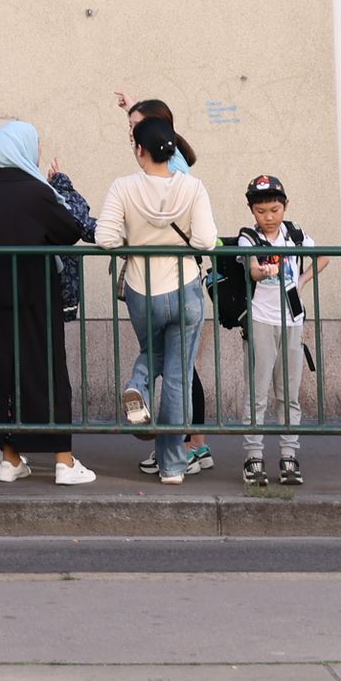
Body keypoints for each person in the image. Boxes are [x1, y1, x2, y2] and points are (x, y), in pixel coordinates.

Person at [0, 122, 94, 485]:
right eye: (36, 144)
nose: (40, 150)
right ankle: (63, 460)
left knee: (1, 375)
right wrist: (60, 186)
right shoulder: (37, 192)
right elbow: (69, 232)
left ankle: (10, 459)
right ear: (24, 148)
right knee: (46, 373)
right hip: (37, 297)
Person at [96, 114, 220, 482]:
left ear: (139, 150)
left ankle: (138, 385)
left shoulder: (123, 187)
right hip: (185, 289)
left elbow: (104, 237)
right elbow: (205, 241)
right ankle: (172, 467)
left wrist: (135, 245)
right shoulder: (192, 188)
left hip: (142, 290)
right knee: (180, 376)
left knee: (154, 352)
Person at [232, 174, 313, 488]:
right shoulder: (248, 238)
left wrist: (301, 282)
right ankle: (253, 457)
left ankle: (289, 456)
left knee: (289, 393)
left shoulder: (295, 234)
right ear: (252, 211)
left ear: (285, 206)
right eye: (261, 210)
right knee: (257, 392)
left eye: (274, 210)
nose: (268, 217)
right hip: (261, 320)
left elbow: (323, 257)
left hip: (293, 321)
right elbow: (251, 268)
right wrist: (261, 271)